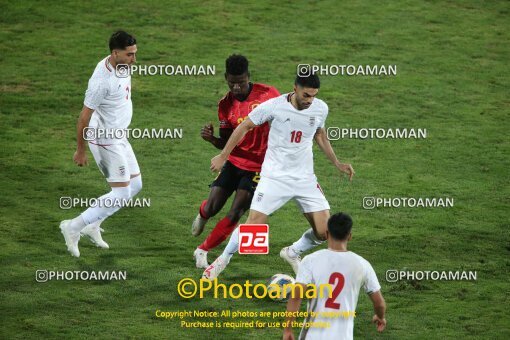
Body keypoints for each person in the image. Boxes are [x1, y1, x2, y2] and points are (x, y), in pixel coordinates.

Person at [203, 73, 354, 279]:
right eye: (306, 95)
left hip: (304, 179)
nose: (310, 101)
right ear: (295, 89)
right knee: (252, 227)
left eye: (313, 96)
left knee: (324, 232)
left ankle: (292, 253)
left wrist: (337, 162)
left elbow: (319, 134)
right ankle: (222, 260)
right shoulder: (274, 106)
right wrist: (223, 155)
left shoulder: (320, 108)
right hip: (274, 178)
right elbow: (244, 126)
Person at [192, 54, 280, 268]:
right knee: (213, 207)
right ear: (226, 79)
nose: (237, 87)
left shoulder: (269, 94)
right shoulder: (225, 105)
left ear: (248, 77)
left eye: (241, 82)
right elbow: (226, 142)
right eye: (232, 83)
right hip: (234, 162)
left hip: (259, 168)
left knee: (236, 211)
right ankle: (203, 214)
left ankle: (203, 250)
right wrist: (212, 139)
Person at [59, 31, 142, 257]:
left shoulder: (122, 65)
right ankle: (72, 227)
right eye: (130, 54)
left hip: (119, 135)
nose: (134, 59)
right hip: (105, 139)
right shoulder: (101, 82)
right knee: (121, 193)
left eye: (135, 53)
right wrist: (80, 149)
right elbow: (84, 117)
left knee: (135, 187)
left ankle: (92, 225)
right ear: (115, 53)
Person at [283, 213, 386, 340]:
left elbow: (296, 297)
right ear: (349, 236)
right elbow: (379, 303)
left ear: (326, 234)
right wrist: (380, 316)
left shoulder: (310, 260)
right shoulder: (363, 265)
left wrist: (288, 329)